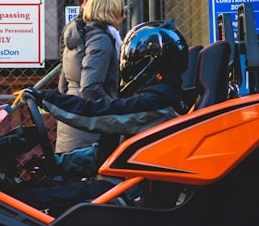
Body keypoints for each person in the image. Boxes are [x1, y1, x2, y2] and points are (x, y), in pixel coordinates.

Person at [21, 20, 190, 192]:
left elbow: (97, 114)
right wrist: (58, 163)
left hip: (127, 194)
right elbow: (107, 154)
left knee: (35, 198)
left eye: (133, 60)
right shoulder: (160, 100)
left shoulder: (158, 104)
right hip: (121, 186)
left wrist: (45, 99)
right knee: (37, 192)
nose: (126, 65)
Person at [56, 0, 119, 152]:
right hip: (89, 123)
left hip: (73, 115)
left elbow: (64, 82)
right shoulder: (98, 36)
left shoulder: (72, 31)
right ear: (87, 0)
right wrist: (116, 109)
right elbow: (90, 86)